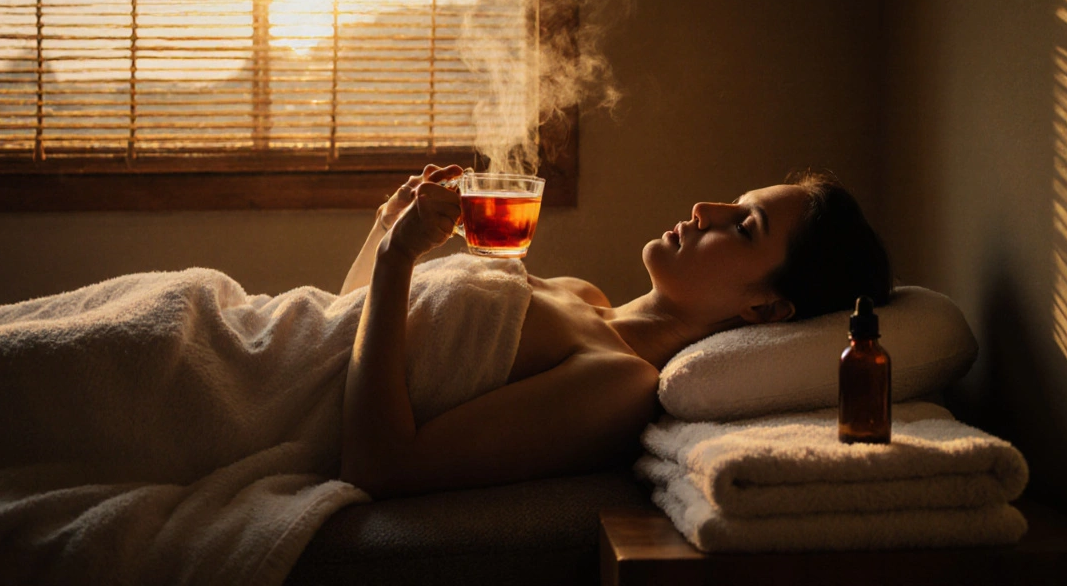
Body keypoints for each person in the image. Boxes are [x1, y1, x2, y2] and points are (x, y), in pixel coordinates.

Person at [337, 164, 891, 499]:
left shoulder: (618, 383)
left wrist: (399, 255)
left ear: (765, 311)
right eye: (734, 204)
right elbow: (342, 335)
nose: (704, 209)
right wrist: (387, 226)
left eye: (744, 227)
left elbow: (380, 465)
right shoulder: (582, 294)